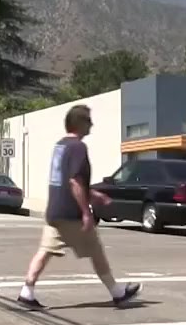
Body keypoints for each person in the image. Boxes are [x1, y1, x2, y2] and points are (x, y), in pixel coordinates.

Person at [18, 104, 142, 310]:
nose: (91, 125)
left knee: (45, 251)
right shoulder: (78, 147)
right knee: (96, 250)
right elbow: (75, 182)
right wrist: (86, 212)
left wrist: (95, 195)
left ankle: (26, 292)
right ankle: (117, 293)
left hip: (55, 211)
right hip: (71, 213)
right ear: (78, 123)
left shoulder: (60, 146)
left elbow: (67, 181)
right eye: (88, 121)